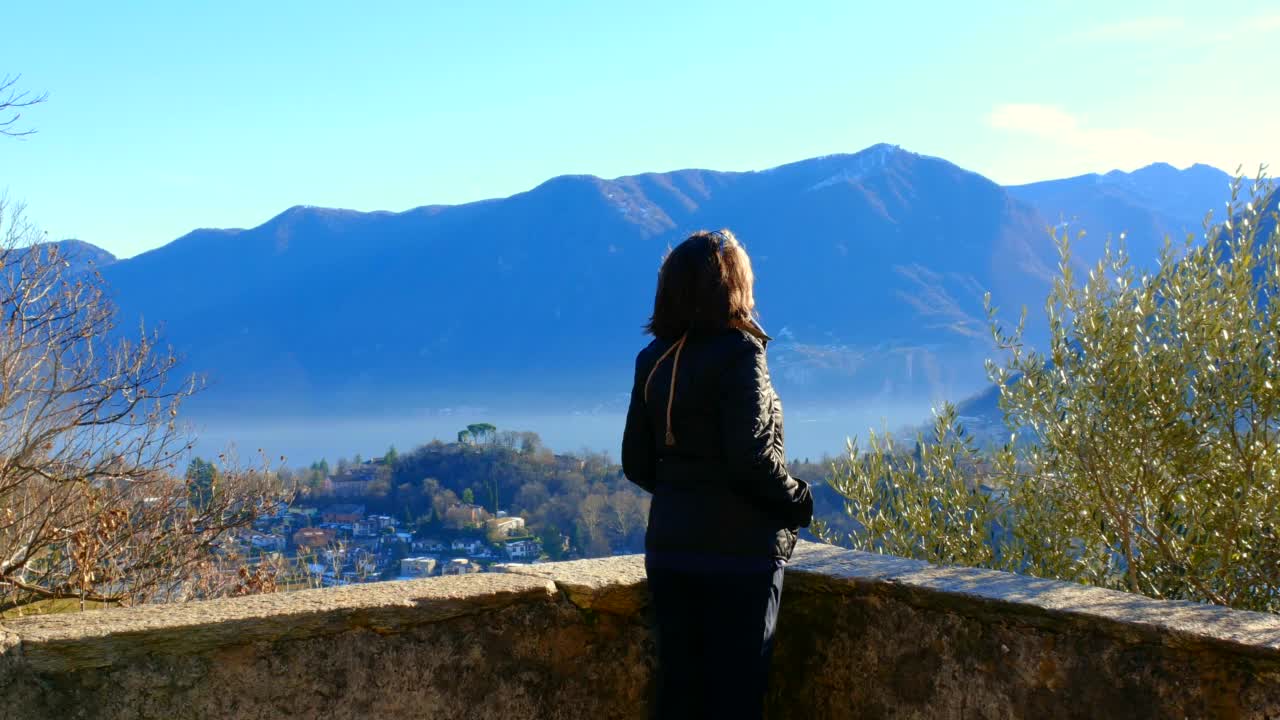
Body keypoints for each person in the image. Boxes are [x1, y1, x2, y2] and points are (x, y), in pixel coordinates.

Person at [622, 228, 814, 720]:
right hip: (740, 559)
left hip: (671, 553)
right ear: (733, 286)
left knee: (681, 695)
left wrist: (686, 497)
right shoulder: (741, 354)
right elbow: (751, 460)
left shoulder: (652, 359)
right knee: (736, 700)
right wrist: (799, 502)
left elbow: (636, 462)